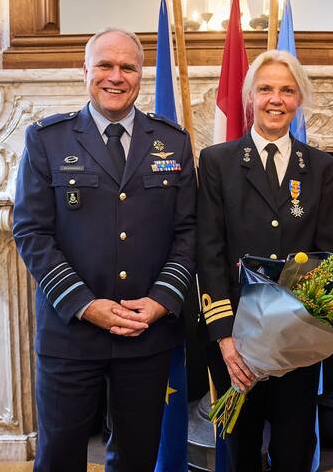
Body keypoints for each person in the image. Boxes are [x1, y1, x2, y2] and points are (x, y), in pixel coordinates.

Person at [12, 28, 196, 472]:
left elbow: (188, 232)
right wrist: (84, 304)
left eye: (127, 67)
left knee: (136, 456)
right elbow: (31, 231)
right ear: (85, 72)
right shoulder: (47, 139)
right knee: (59, 456)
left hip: (145, 331)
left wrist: (159, 302)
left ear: (141, 75)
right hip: (70, 331)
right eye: (105, 66)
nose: (116, 76)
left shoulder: (172, 141)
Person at [197, 50, 333, 471]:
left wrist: (300, 329)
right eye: (265, 89)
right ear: (249, 98)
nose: (275, 99)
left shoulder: (321, 168)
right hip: (236, 339)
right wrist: (225, 339)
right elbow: (209, 253)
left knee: (294, 448)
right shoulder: (217, 162)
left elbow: (327, 254)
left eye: (287, 90)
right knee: (240, 449)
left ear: (299, 100)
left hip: (296, 339)